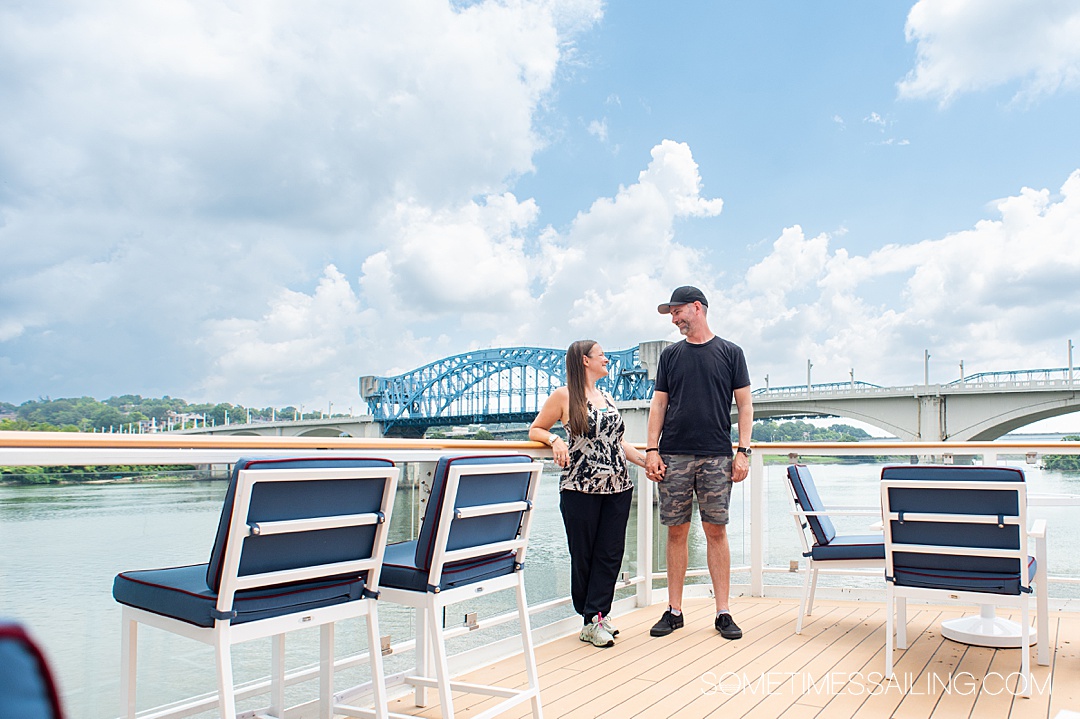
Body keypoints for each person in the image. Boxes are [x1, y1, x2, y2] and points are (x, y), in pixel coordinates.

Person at [644, 286, 754, 640]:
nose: (674, 319)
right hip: (673, 454)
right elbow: (658, 405)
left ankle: (723, 611)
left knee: (716, 532)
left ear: (697, 308)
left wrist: (744, 451)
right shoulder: (670, 356)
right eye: (671, 315)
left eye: (677, 312)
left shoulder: (731, 353)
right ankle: (674, 610)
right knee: (676, 532)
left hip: (717, 455)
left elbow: (745, 406)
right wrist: (651, 450)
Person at [529, 340, 648, 648]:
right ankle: (590, 619)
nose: (607, 359)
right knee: (584, 554)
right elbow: (536, 429)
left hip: (618, 486)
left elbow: (618, 442)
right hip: (579, 488)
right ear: (584, 361)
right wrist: (555, 440)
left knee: (610, 554)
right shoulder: (564, 395)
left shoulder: (607, 397)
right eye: (601, 355)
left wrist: (647, 461)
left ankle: (597, 616)